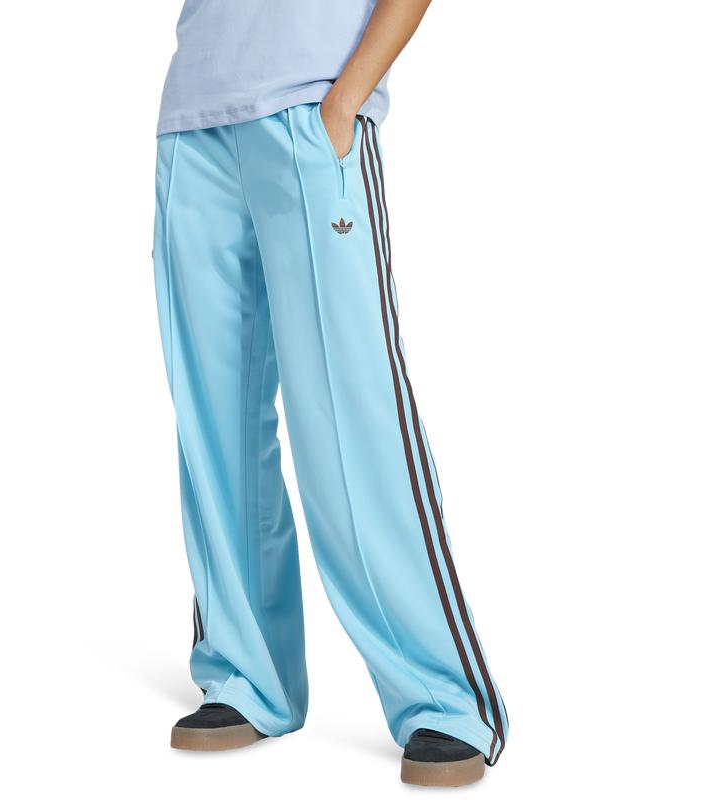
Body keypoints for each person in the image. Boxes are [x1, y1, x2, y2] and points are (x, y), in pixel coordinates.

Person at [152, 0, 507, 787]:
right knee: (215, 422)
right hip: (195, 118)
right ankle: (245, 675)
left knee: (352, 418)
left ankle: (444, 700)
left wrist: (346, 100)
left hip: (313, 111)